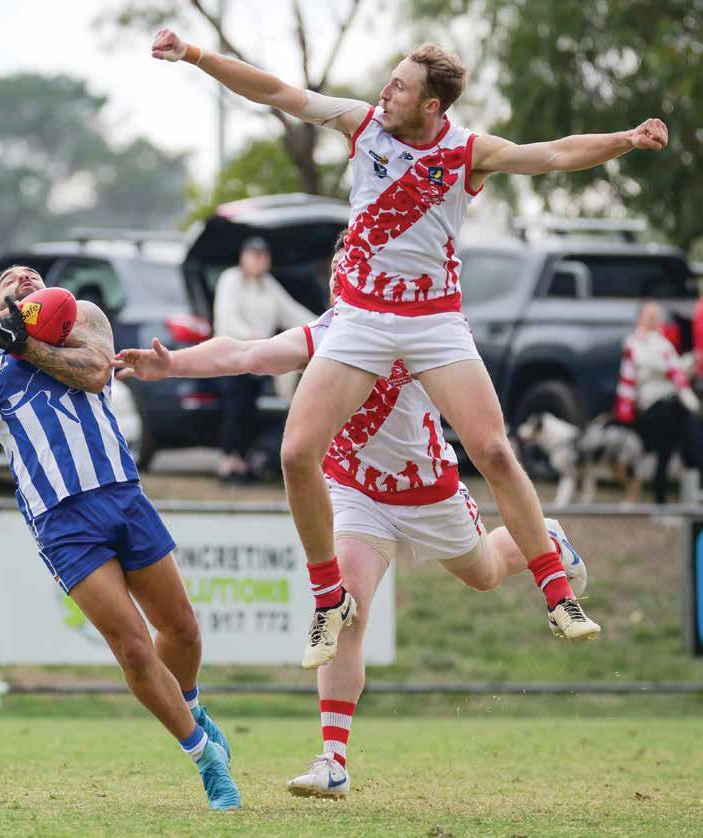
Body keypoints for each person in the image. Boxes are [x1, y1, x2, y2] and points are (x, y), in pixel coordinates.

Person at [147, 29, 661, 660]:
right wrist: (196, 55)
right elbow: (276, 92)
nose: (384, 93)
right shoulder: (363, 127)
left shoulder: (466, 151)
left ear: (430, 105)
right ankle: (329, 595)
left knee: (494, 451)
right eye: (387, 82)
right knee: (296, 453)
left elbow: (553, 154)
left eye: (399, 87)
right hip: (361, 318)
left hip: (433, 320)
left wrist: (626, 139)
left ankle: (557, 591)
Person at [113, 233, 594, 798]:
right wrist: (172, 364)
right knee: (348, 612)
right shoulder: (331, 332)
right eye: (340, 266)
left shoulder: (424, 328)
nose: (346, 275)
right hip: (356, 491)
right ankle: (333, 761)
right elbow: (246, 353)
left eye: (356, 264)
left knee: (485, 572)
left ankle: (547, 540)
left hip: (427, 489)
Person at [0, 265, 240, 810]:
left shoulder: (81, 317)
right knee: (132, 646)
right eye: (10, 277)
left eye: (31, 274)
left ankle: (192, 708)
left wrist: (24, 343)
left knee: (182, 630)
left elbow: (95, 372)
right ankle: (206, 759)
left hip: (120, 494)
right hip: (60, 521)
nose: (23, 277)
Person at [213, 236, 314, 482]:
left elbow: (291, 311)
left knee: (250, 409)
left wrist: (321, 325)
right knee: (235, 409)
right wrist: (252, 336)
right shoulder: (231, 279)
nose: (258, 260)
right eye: (253, 254)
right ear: (243, 257)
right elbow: (228, 318)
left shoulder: (268, 284)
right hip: (231, 356)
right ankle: (228, 462)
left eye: (263, 255)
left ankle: (244, 461)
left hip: (257, 358)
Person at [614, 300, 703, 503]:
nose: (655, 320)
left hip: (672, 406)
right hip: (655, 408)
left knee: (681, 447)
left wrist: (692, 360)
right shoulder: (635, 343)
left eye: (657, 316)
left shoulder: (660, 342)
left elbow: (674, 368)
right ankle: (663, 502)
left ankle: (678, 497)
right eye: (650, 316)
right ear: (640, 318)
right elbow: (662, 365)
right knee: (673, 448)